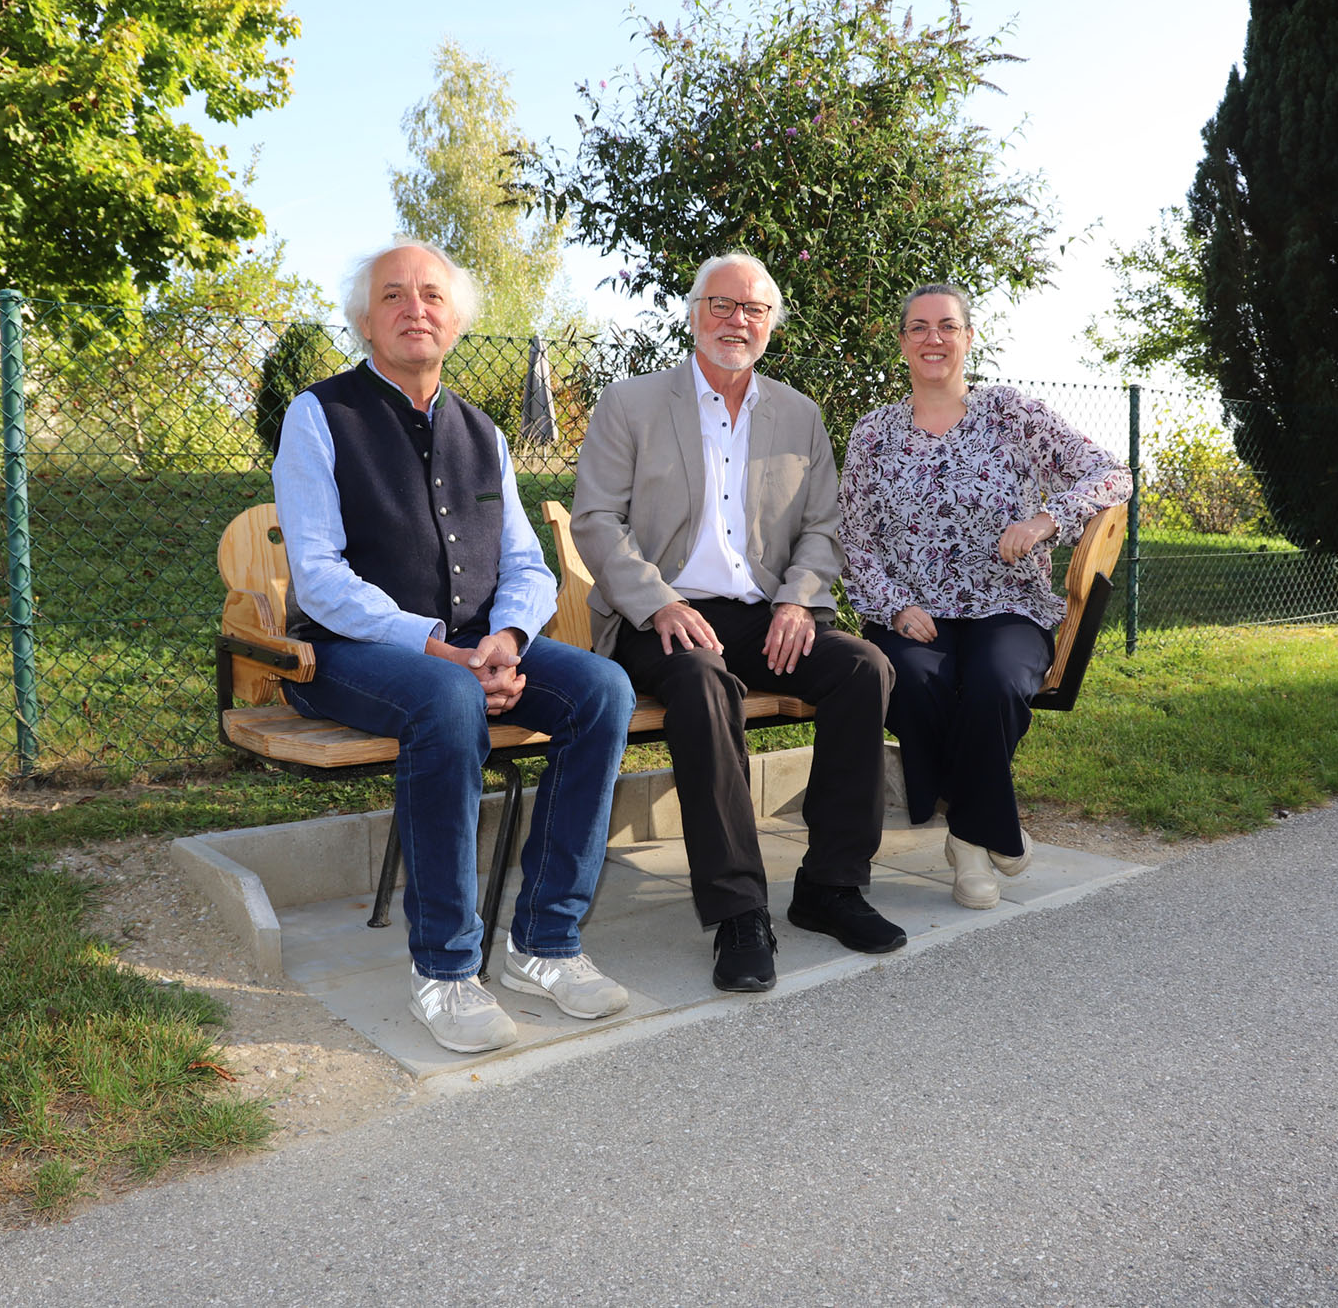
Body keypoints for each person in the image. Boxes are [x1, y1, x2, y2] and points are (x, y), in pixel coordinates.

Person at [271, 239, 636, 1054]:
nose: (415, 308)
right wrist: (441, 649)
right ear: (365, 322)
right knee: (446, 698)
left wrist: (505, 638)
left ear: (457, 321)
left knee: (602, 690)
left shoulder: (484, 431)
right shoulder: (319, 415)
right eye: (394, 295)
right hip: (344, 652)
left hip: (472, 647)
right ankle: (444, 968)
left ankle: (545, 944)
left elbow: (527, 564)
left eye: (432, 295)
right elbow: (320, 578)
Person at [572, 252, 901, 994]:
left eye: (753, 309)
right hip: (658, 614)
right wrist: (660, 601)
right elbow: (596, 519)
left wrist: (797, 599)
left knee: (863, 668)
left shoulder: (798, 414)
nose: (736, 320)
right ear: (693, 315)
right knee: (703, 684)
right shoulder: (631, 403)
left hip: (763, 613)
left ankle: (831, 886)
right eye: (721, 305)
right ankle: (739, 911)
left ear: (771, 325)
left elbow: (824, 527)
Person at [838, 283, 1131, 910]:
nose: (933, 338)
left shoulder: (1010, 414)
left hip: (1009, 605)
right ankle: (991, 829)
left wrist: (1046, 520)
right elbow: (855, 540)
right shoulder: (873, 434)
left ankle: (968, 838)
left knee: (995, 685)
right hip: (914, 612)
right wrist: (894, 606)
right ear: (902, 343)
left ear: (969, 338)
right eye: (919, 327)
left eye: (947, 326)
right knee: (912, 684)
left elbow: (1112, 473)